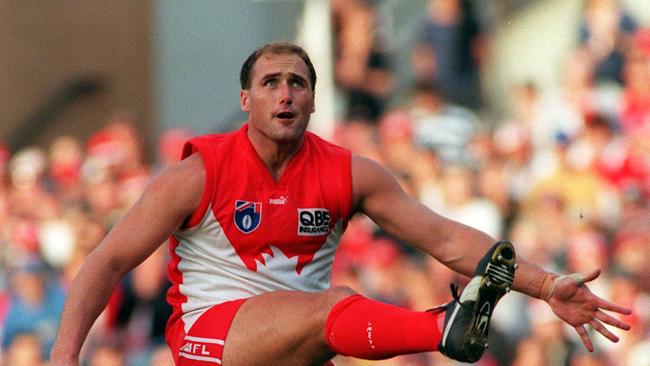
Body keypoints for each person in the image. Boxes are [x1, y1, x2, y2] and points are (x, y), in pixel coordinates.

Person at [51, 42, 631, 366]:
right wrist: (63, 357)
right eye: (272, 82)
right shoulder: (196, 173)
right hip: (212, 344)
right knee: (336, 305)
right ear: (245, 99)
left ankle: (441, 326)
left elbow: (448, 239)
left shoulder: (350, 172)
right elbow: (105, 262)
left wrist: (550, 287)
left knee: (330, 311)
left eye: (298, 83)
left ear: (312, 100)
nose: (285, 93)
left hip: (302, 349)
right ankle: (440, 330)